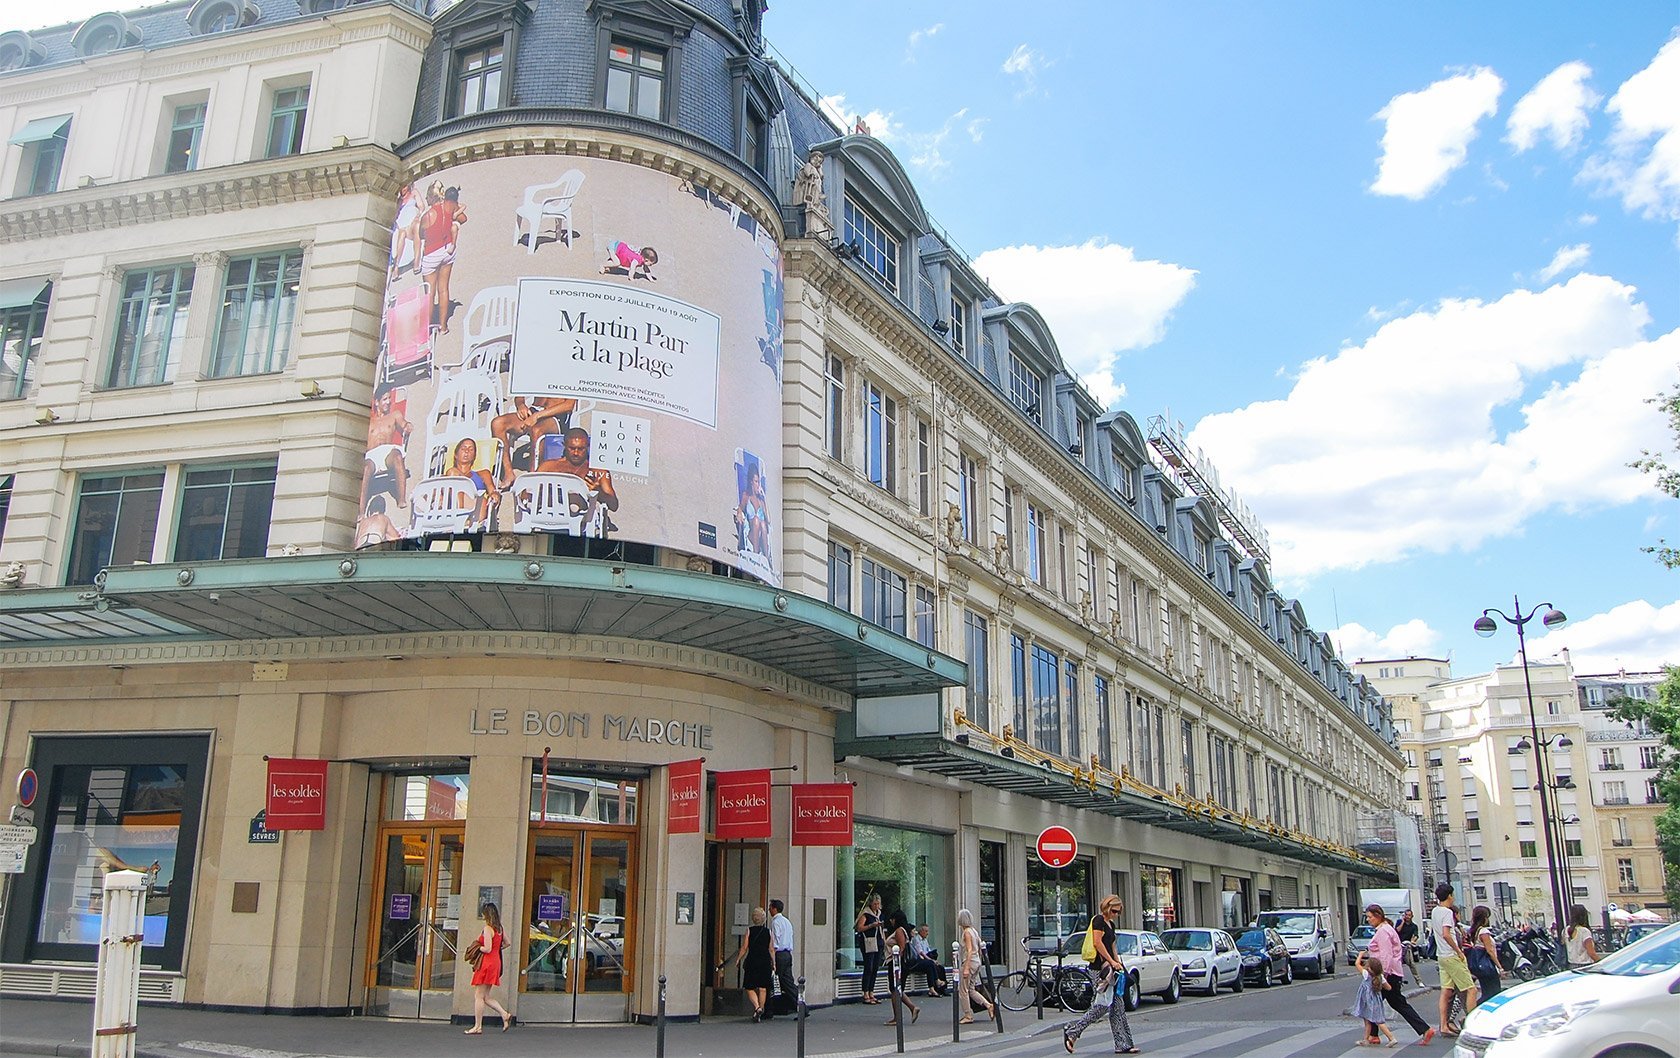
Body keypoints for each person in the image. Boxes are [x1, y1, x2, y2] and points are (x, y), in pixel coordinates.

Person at [1061, 895, 1135, 1054]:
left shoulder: (1111, 924)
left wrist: (1118, 962)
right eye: (1115, 911)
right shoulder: (1098, 921)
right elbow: (1097, 943)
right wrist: (1111, 961)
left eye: (1119, 912)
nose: (1116, 914)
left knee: (1118, 1007)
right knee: (1102, 1005)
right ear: (1108, 908)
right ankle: (1073, 1032)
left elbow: (1112, 945)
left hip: (1111, 969)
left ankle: (1123, 1044)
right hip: (1099, 970)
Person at [1362, 903, 1433, 1045]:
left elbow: (1385, 955)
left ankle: (1374, 1035)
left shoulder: (1383, 932)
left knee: (1373, 1002)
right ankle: (1423, 1029)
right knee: (1392, 1002)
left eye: (1369, 917)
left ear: (1377, 916)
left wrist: (1381, 975)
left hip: (1387, 974)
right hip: (1392, 972)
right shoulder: (1387, 929)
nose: (1368, 920)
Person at [535, 428, 619, 527]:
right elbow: (525, 494)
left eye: (581, 449)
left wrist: (598, 492)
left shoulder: (598, 471)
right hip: (547, 513)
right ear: (564, 446)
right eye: (571, 448)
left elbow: (614, 506)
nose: (575, 453)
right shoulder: (548, 466)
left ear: (587, 447)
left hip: (580, 518)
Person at [490, 396, 575, 486]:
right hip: (534, 410)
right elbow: (519, 393)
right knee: (498, 424)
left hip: (556, 415)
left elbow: (569, 405)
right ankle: (508, 473)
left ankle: (533, 477)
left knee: (536, 430)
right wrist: (521, 405)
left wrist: (537, 416)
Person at [418, 183, 467, 331]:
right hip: (447, 251)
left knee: (430, 293)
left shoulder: (427, 216)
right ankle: (443, 326)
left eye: (427, 196)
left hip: (432, 253)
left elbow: (421, 235)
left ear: (431, 198)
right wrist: (453, 219)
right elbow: (463, 219)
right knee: (443, 289)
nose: (426, 199)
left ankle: (426, 330)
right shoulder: (450, 205)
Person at [1432, 883, 1476, 1037]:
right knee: (1471, 989)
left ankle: (1443, 1025)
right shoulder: (1446, 913)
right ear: (1449, 895)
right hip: (1451, 955)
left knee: (1446, 991)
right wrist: (1458, 951)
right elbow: (1446, 933)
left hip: (1441, 956)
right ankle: (1473, 1024)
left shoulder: (1435, 911)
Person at [465, 902, 512, 1034]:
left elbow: (487, 948)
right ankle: (504, 1014)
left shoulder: (487, 929)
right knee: (485, 996)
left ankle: (478, 1026)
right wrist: (498, 948)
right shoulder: (500, 929)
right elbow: (508, 943)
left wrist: (477, 948)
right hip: (495, 962)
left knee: (478, 996)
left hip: (486, 963)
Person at [362, 389, 411, 509]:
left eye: (389, 398)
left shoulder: (394, 415)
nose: (389, 402)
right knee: (365, 469)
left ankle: (401, 500)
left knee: (398, 457)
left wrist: (407, 426)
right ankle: (361, 511)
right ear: (377, 402)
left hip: (388, 451)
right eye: (385, 399)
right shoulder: (368, 421)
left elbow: (404, 423)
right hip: (371, 455)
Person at [730, 906, 774, 1022]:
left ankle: (757, 1007)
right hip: (764, 961)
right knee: (763, 988)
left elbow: (744, 948)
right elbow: (771, 949)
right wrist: (774, 962)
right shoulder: (768, 932)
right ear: (764, 919)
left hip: (752, 960)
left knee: (750, 987)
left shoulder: (749, 931)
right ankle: (761, 1009)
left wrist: (739, 959)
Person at [955, 907, 996, 1026]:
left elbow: (969, 950)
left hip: (969, 962)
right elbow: (979, 947)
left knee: (963, 990)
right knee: (971, 989)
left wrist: (966, 967)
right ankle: (989, 1005)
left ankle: (968, 1015)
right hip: (977, 961)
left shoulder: (967, 932)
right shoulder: (974, 930)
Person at [882, 910, 921, 1026]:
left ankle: (897, 1017)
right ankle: (912, 1008)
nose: (891, 921)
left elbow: (901, 947)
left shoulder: (899, 931)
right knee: (896, 989)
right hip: (896, 963)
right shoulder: (902, 930)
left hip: (897, 963)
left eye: (892, 919)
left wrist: (896, 964)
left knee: (895, 989)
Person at [1353, 951, 1397, 1047]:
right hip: (1376, 1002)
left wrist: (1360, 955)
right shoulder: (1380, 977)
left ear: (1369, 968)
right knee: (1370, 1020)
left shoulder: (1366, 974)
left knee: (1376, 1021)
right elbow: (1389, 988)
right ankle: (1365, 1039)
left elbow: (1356, 963)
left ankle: (1391, 1038)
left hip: (1367, 1002)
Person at [1467, 904, 1505, 999]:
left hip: (1481, 967)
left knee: (1487, 992)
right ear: (1484, 918)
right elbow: (1490, 951)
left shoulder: (1475, 931)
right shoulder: (1484, 932)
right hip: (1488, 967)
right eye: (1487, 917)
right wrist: (1499, 967)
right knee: (1493, 993)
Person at [854, 893, 885, 1004]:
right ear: (870, 904)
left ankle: (872, 991)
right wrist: (871, 926)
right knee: (869, 967)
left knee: (875, 967)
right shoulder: (866, 914)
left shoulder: (880, 914)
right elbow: (860, 928)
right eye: (875, 904)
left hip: (878, 941)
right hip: (869, 942)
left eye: (878, 904)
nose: (877, 906)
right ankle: (865, 992)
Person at [769, 898, 796, 1016]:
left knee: (771, 981)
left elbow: (775, 941)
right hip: (787, 954)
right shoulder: (787, 921)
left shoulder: (775, 922)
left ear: (774, 909)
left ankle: (768, 1009)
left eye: (770, 907)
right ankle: (801, 1006)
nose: (769, 909)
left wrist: (773, 959)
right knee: (788, 982)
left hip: (779, 954)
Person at [905, 923, 948, 996]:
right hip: (916, 962)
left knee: (940, 968)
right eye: (926, 931)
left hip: (924, 959)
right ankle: (933, 986)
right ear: (921, 931)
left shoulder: (925, 940)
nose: (927, 933)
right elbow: (920, 952)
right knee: (930, 964)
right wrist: (931, 960)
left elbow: (928, 950)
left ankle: (941, 988)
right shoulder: (915, 940)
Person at [1396, 909, 1421, 984]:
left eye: (1409, 915)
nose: (1407, 917)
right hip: (1398, 945)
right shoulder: (1399, 922)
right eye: (1406, 915)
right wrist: (1402, 922)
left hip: (1406, 945)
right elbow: (1397, 931)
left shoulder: (1414, 926)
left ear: (1412, 916)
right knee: (1396, 964)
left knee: (1411, 963)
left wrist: (1413, 941)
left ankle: (1418, 980)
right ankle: (1398, 981)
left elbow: (1416, 935)